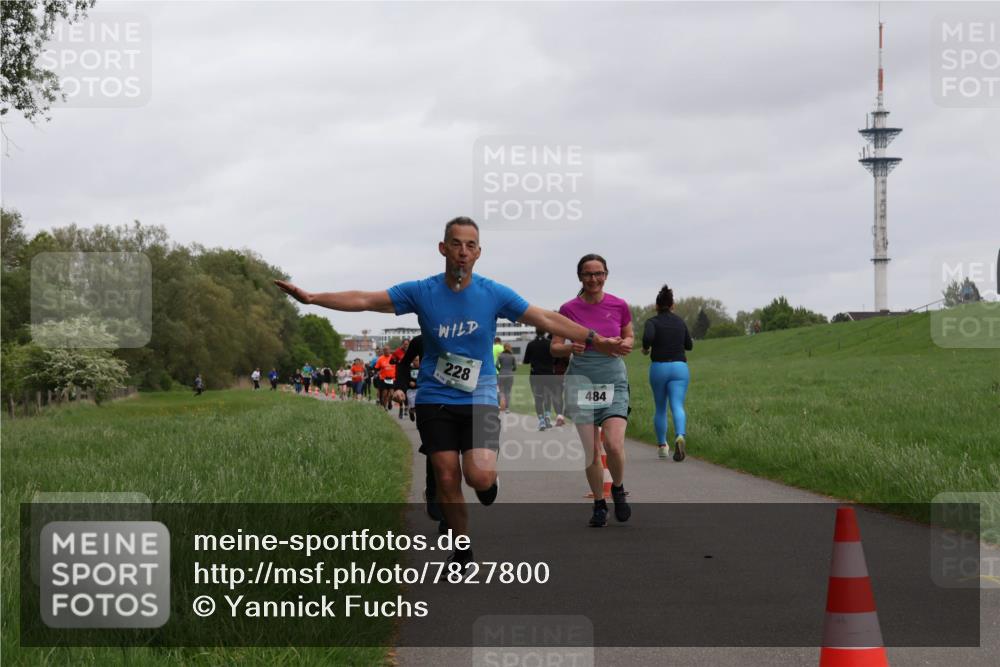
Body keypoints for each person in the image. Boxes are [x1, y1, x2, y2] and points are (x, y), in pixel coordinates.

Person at [275, 217, 626, 562]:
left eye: (470, 245)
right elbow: (366, 299)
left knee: (479, 476)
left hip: (481, 394)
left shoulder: (493, 293)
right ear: (443, 248)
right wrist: (312, 298)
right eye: (456, 244)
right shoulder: (422, 291)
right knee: (445, 474)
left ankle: (490, 483)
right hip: (435, 395)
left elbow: (547, 319)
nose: (462, 251)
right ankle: (461, 547)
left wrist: (595, 340)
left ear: (478, 253)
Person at [552, 253, 634, 528]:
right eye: (588, 274)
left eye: (599, 273)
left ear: (606, 275)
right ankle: (599, 504)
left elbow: (630, 336)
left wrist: (624, 343)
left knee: (613, 443)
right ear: (580, 277)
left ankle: (619, 489)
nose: (593, 279)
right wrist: (568, 348)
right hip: (581, 382)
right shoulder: (567, 309)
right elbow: (555, 346)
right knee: (591, 450)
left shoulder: (619, 305)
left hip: (613, 380)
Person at [642, 284, 693, 461]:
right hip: (680, 367)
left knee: (661, 408)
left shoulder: (652, 322)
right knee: (678, 405)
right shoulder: (680, 321)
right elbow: (689, 345)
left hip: (659, 367)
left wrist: (646, 347)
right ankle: (680, 435)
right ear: (673, 305)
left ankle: (663, 446)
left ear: (656, 306)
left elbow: (648, 337)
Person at [522, 328, 557, 430]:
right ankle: (547, 417)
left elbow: (526, 361)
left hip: (535, 375)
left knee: (538, 398)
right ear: (545, 332)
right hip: (549, 374)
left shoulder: (531, 344)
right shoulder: (550, 343)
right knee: (548, 397)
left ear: (536, 332)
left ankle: (541, 421)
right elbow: (555, 358)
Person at [496, 342, 516, 413]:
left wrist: (500, 370)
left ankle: (498, 406)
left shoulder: (500, 356)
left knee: (500, 391)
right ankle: (507, 408)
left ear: (504, 347)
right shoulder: (512, 356)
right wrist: (511, 370)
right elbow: (515, 367)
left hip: (501, 374)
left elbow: (496, 365)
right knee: (508, 392)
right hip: (510, 375)